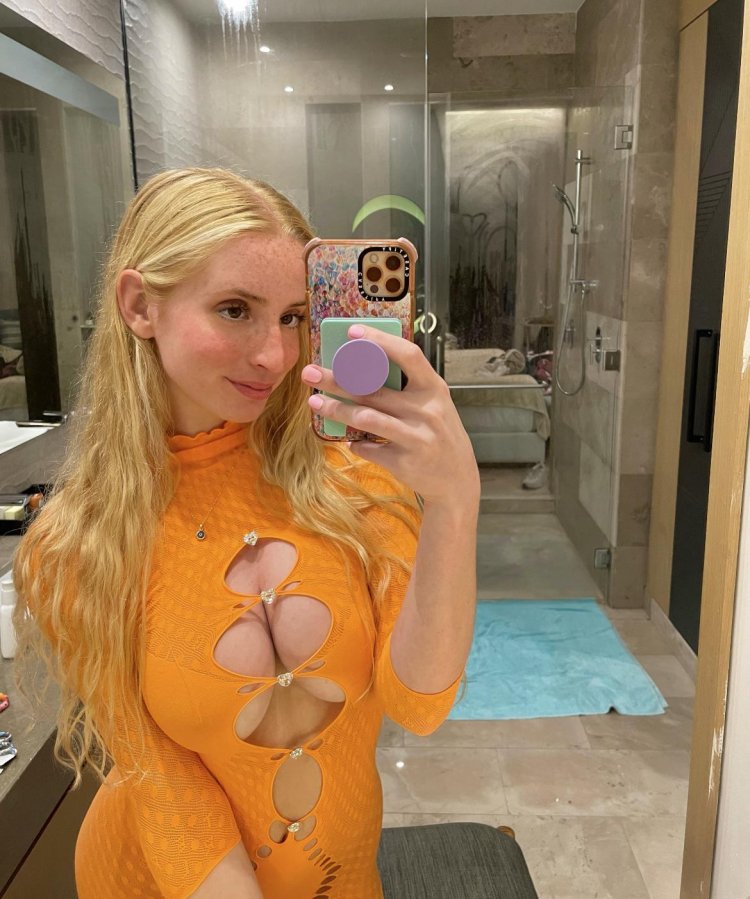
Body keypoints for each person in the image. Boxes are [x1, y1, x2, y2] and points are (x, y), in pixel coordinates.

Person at [13, 168, 480, 898]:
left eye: (294, 317)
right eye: (235, 310)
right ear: (140, 305)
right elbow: (164, 783)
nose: (275, 355)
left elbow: (419, 705)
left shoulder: (352, 478)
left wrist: (455, 501)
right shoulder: (78, 545)